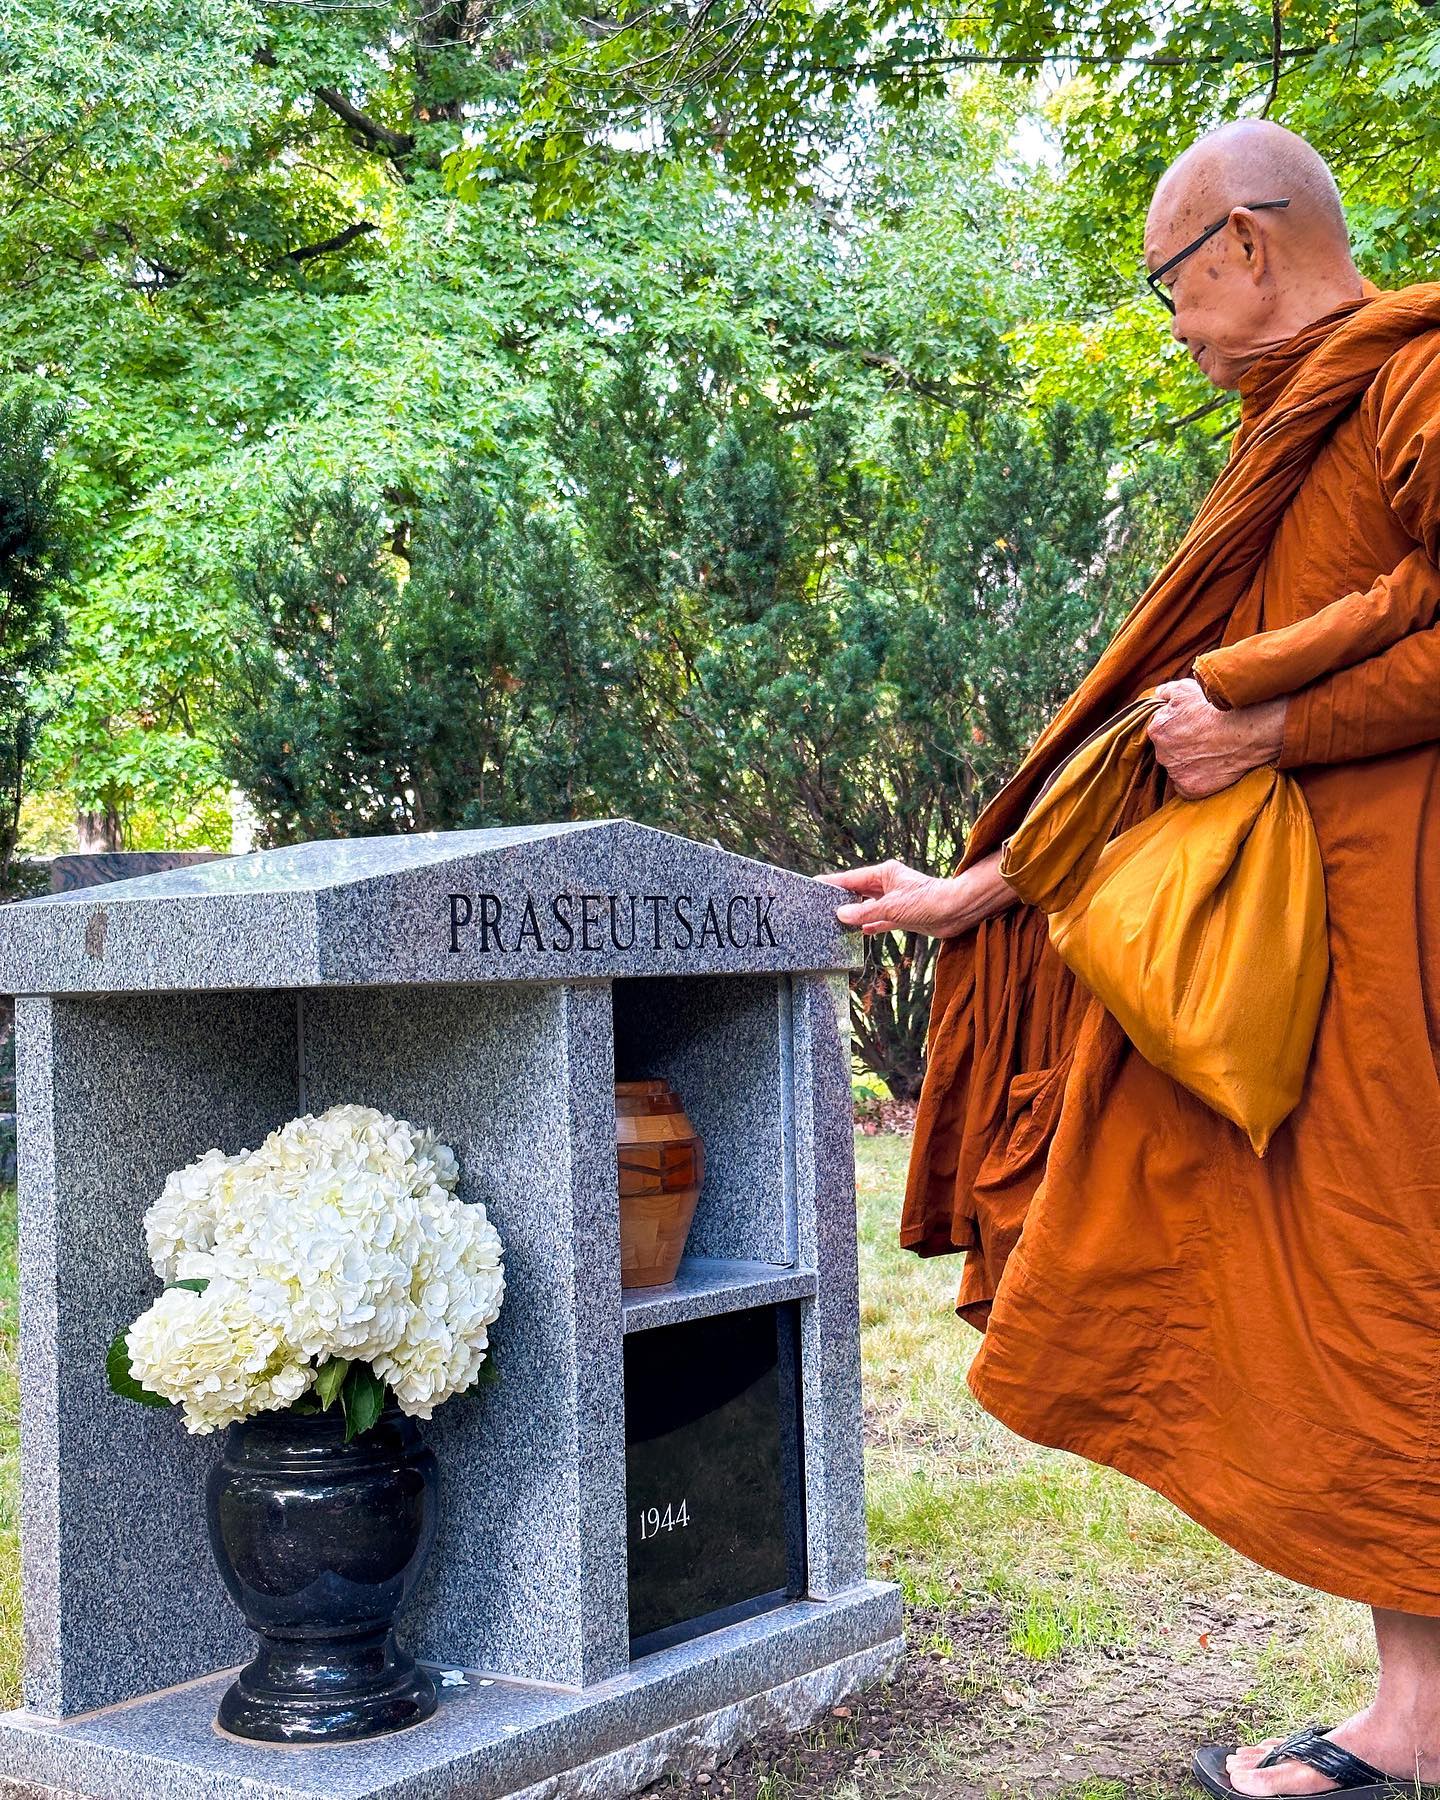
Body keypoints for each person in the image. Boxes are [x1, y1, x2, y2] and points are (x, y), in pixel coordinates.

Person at [822, 120, 1440, 1799]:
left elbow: (1272, 713)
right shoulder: (1290, 430)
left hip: (1407, 947)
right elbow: (1162, 756)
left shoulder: (1412, 379)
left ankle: (1414, 1723)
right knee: (1362, 1301)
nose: (1170, 317)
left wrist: (1290, 715)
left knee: (1400, 1287)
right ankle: (1421, 1710)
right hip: (1299, 964)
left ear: (1246, 242)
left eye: (1170, 279)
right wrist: (974, 899)